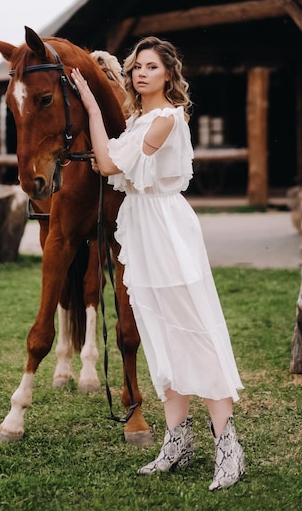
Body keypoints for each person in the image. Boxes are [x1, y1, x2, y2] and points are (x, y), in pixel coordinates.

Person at [71, 36, 245, 491]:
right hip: (142, 230)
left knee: (194, 330)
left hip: (167, 229)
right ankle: (177, 441)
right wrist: (92, 104)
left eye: (151, 66)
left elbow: (108, 165)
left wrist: (93, 106)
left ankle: (228, 447)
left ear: (169, 73)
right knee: (158, 333)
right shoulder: (135, 121)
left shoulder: (165, 119)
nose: (141, 73)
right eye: (136, 67)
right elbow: (110, 158)